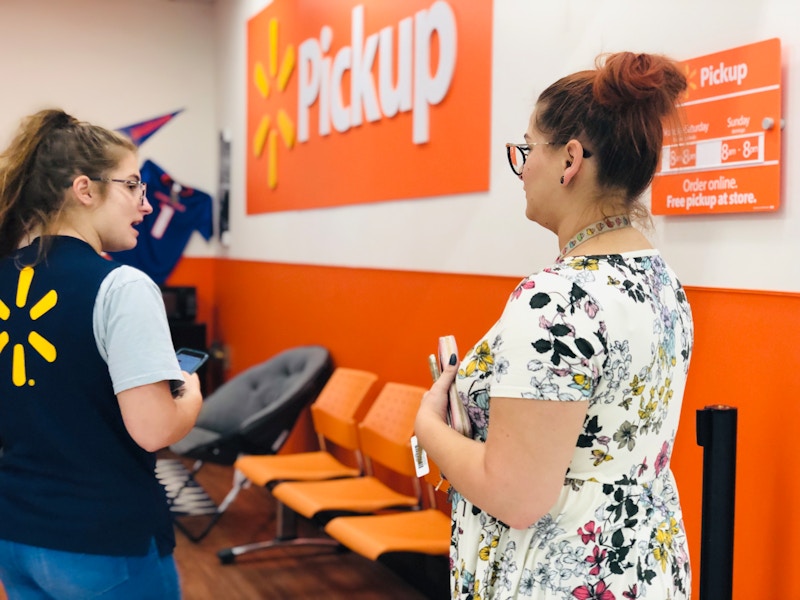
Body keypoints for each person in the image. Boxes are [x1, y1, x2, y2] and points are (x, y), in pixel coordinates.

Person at [415, 52, 694, 599]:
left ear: (569, 159)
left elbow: (517, 494)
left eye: (526, 150)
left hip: (560, 577)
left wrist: (429, 425)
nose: (522, 169)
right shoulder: (661, 282)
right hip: (643, 566)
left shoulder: (556, 300)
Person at [0, 109, 203, 599]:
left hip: (15, 533)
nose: (147, 204)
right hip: (103, 540)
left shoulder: (5, 276)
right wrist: (190, 393)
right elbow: (154, 428)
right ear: (84, 189)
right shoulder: (123, 286)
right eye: (133, 185)